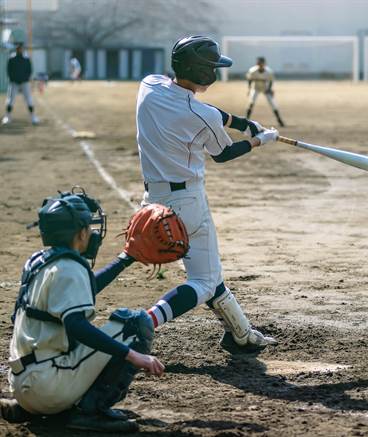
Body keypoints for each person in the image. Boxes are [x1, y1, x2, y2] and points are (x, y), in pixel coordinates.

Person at [136, 36, 278, 354]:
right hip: (187, 204)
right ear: (202, 72)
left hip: (151, 202)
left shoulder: (150, 85)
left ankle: (241, 334)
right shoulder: (204, 117)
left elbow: (197, 107)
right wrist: (260, 140)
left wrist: (242, 123)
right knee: (203, 281)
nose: (215, 71)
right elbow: (224, 154)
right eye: (212, 67)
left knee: (208, 273)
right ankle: (148, 320)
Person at [1, 188, 164, 432]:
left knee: (69, 340)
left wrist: (125, 259)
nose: (91, 231)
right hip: (48, 385)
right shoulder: (69, 268)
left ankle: (31, 408)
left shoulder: (39, 262)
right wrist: (132, 355)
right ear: (79, 233)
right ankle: (91, 412)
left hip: (24, 384)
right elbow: (76, 326)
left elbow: (83, 290)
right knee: (134, 324)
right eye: (88, 226)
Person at [2, 43, 38, 125]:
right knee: (10, 99)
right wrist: (13, 79)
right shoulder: (12, 59)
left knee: (29, 99)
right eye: (18, 48)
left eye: (21, 48)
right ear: (16, 49)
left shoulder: (26, 59)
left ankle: (33, 117)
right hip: (14, 83)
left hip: (25, 82)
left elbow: (29, 70)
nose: (20, 50)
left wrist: (25, 79)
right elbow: (9, 70)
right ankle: (7, 117)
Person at [246, 57, 285, 127]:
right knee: (251, 102)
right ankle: (246, 120)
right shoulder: (252, 71)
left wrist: (270, 89)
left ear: (264, 64)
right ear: (257, 64)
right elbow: (250, 79)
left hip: (265, 88)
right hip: (256, 88)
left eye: (262, 63)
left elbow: (271, 81)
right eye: (259, 63)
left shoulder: (269, 72)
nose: (260, 65)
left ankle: (279, 120)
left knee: (272, 103)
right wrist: (249, 89)